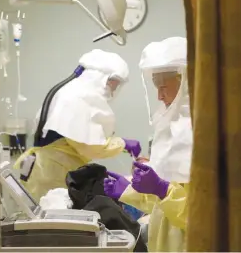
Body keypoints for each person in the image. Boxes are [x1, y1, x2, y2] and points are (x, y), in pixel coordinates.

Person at [13, 49, 142, 202]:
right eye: (112, 84)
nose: (113, 90)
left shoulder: (71, 93)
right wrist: (123, 144)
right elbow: (91, 146)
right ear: (100, 78)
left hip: (49, 169)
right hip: (50, 174)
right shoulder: (76, 98)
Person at [104, 37, 192, 252]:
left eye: (164, 88)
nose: (160, 96)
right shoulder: (175, 127)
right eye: (156, 88)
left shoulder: (206, 134)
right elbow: (165, 204)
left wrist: (161, 188)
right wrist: (130, 191)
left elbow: (200, 214)